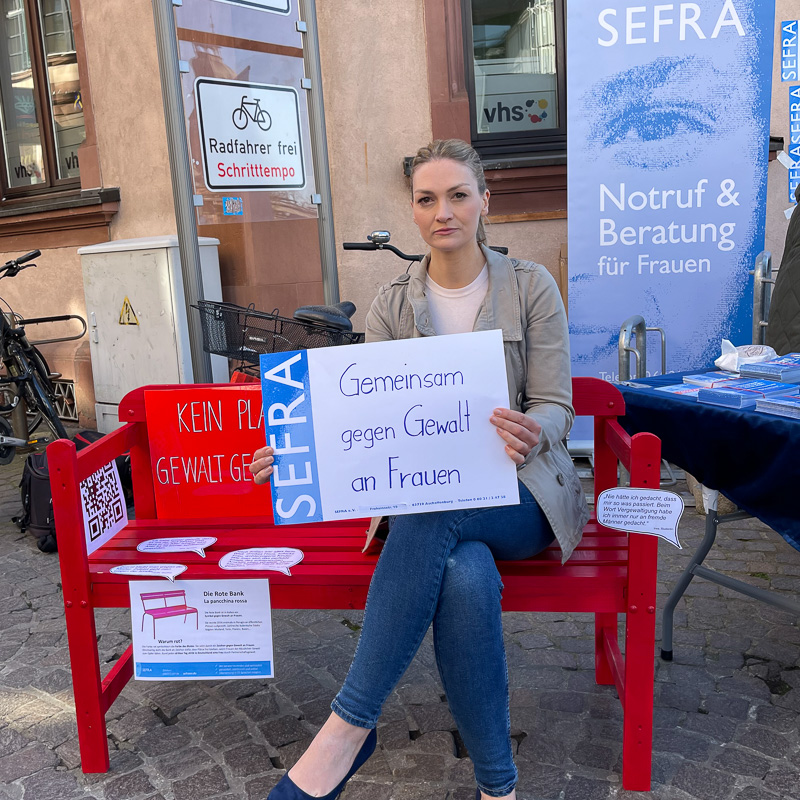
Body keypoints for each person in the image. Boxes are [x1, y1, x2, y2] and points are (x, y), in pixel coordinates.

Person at [250, 139, 589, 799]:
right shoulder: (392, 303)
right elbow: (364, 419)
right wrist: (301, 450)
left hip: (522, 497)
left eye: (459, 195)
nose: (444, 211)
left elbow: (556, 405)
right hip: (434, 506)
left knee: (433, 509)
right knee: (464, 574)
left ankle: (348, 726)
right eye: (428, 199)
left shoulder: (530, 287)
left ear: (484, 201)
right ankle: (499, 786)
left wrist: (533, 428)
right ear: (412, 211)